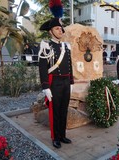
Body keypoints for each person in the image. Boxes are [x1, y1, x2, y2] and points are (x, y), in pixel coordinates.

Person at [38, 17, 74, 149]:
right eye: (56, 28)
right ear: (50, 32)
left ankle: (63, 135)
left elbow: (70, 66)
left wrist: (71, 82)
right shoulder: (46, 46)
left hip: (65, 82)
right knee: (55, 111)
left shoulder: (66, 46)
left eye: (60, 28)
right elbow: (42, 68)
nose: (60, 30)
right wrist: (45, 86)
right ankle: (55, 137)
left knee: (64, 110)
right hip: (54, 82)